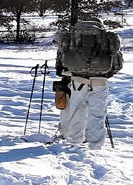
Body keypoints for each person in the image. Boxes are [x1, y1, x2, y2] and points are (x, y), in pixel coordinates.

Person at [53, 18, 123, 148]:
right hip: (99, 82)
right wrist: (105, 74)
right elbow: (117, 65)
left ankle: (74, 143)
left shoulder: (73, 37)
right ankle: (95, 146)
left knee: (77, 112)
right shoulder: (106, 39)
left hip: (77, 81)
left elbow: (61, 64)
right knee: (97, 115)